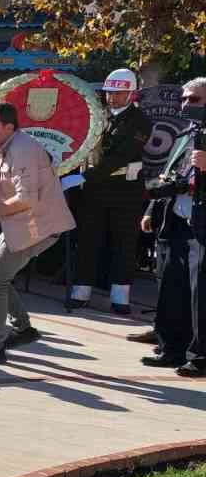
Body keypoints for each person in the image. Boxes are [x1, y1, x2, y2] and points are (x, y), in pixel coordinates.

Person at [0, 104, 76, 363]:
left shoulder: (23, 150)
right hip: (22, 223)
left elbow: (24, 199)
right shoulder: (5, 148)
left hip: (37, 226)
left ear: (9, 127)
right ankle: (23, 329)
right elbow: (4, 188)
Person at [67, 68, 154, 314]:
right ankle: (81, 291)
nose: (112, 97)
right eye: (109, 92)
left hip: (125, 189)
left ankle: (120, 296)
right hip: (94, 189)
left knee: (123, 243)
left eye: (118, 92)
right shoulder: (98, 116)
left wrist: (83, 176)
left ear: (131, 94)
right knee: (87, 240)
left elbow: (120, 157)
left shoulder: (140, 121)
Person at [143, 79, 206, 373]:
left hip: (201, 224)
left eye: (193, 99)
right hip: (176, 217)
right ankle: (171, 349)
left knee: (199, 292)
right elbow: (169, 175)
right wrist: (151, 207)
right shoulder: (184, 134)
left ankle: (200, 356)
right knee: (172, 285)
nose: (185, 104)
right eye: (184, 99)